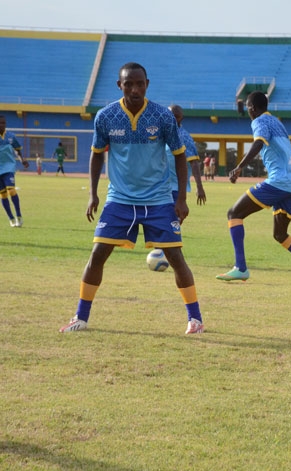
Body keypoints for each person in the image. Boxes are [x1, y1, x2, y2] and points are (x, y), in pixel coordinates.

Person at [59, 62, 206, 335]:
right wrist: (93, 194)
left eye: (140, 84)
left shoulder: (163, 117)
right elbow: (96, 153)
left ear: (147, 84)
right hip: (120, 198)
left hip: (159, 198)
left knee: (175, 256)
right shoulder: (105, 117)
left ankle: (195, 319)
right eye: (129, 84)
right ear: (120, 86)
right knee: (97, 254)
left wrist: (181, 199)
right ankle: (81, 316)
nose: (135, 89)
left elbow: (179, 156)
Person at [217, 90, 291, 283]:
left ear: (252, 108)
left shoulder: (259, 122)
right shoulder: (277, 123)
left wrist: (239, 167)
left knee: (234, 214)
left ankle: (240, 267)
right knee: (280, 234)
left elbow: (259, 143)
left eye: (248, 108)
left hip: (279, 181)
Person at [0, 115, 29, 227]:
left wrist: (22, 160)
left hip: (9, 166)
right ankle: (11, 218)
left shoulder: (11, 136)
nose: (1, 125)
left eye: (3, 123)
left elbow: (17, 150)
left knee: (11, 190)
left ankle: (19, 216)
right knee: (3, 194)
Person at [166, 105, 206, 204]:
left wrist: (199, 187)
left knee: (173, 217)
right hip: (159, 188)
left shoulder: (184, 137)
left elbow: (194, 163)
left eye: (176, 116)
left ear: (181, 118)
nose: (173, 119)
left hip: (175, 188)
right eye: (170, 115)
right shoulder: (161, 134)